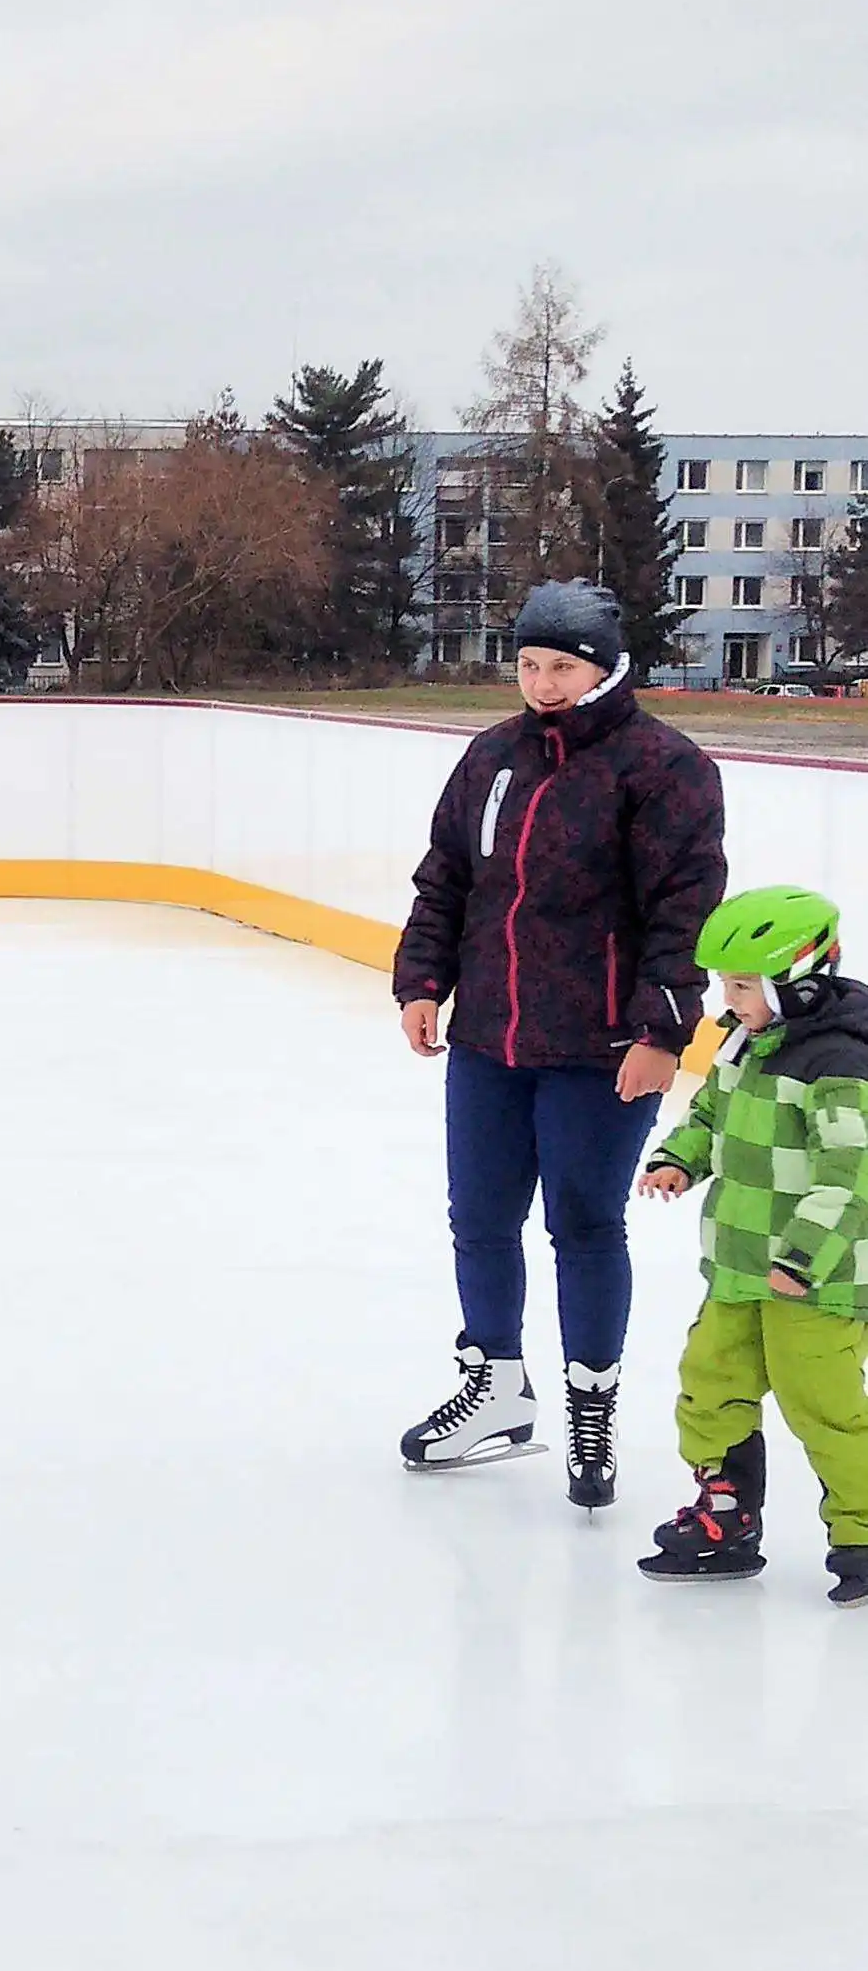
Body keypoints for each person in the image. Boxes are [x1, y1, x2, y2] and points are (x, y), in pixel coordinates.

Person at [391, 581, 724, 1502]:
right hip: (489, 1035)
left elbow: (682, 911)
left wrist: (662, 1031)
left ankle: (590, 1406)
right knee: (480, 1220)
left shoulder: (663, 766)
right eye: (529, 664)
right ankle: (495, 1383)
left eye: (560, 667)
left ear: (605, 665)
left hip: (603, 1043)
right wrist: (422, 980)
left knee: (582, 1225)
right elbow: (446, 879)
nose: (539, 683)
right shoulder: (490, 755)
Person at [636, 887, 868, 1598]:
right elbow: (709, 1111)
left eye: (741, 984)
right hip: (738, 1265)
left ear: (795, 980)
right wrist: (678, 1157)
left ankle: (861, 1529)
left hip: (815, 1280)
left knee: (822, 1407)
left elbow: (849, 1177)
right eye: (724, 983)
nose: (727, 997)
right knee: (708, 1384)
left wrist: (801, 1258)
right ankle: (726, 1516)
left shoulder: (838, 1063)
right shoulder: (745, 1040)